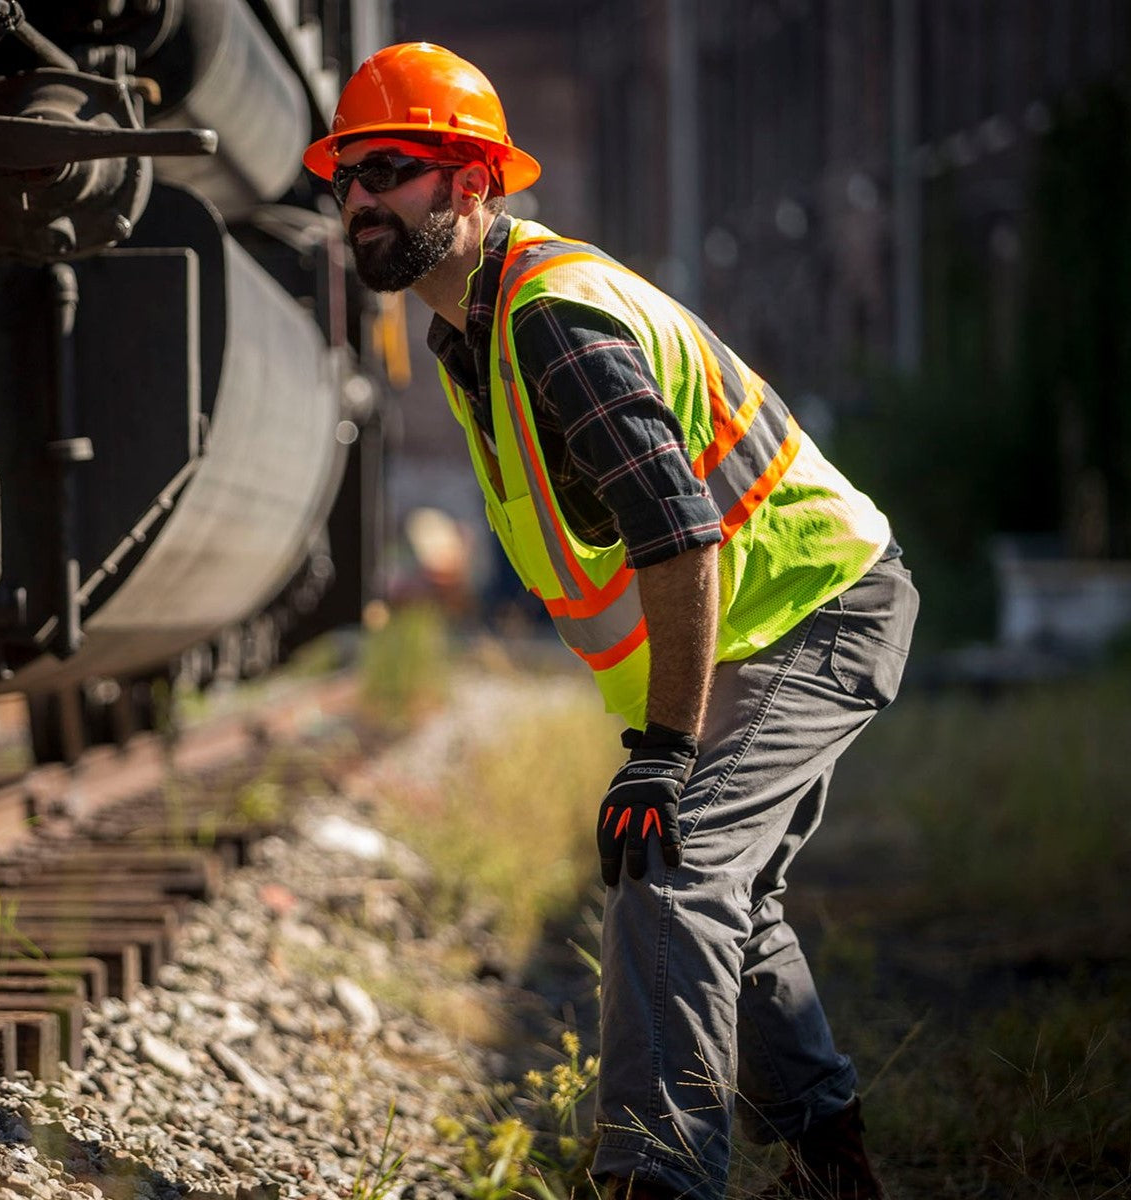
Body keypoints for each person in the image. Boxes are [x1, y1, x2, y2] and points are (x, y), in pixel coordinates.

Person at [305, 42, 918, 1200]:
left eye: (392, 168)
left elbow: (680, 536)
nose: (360, 200)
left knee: (670, 872)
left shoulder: (550, 322)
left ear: (474, 184)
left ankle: (659, 1178)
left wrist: (661, 758)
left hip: (815, 607)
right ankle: (837, 1167)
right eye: (346, 177)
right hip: (758, 624)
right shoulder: (463, 337)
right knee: (731, 892)